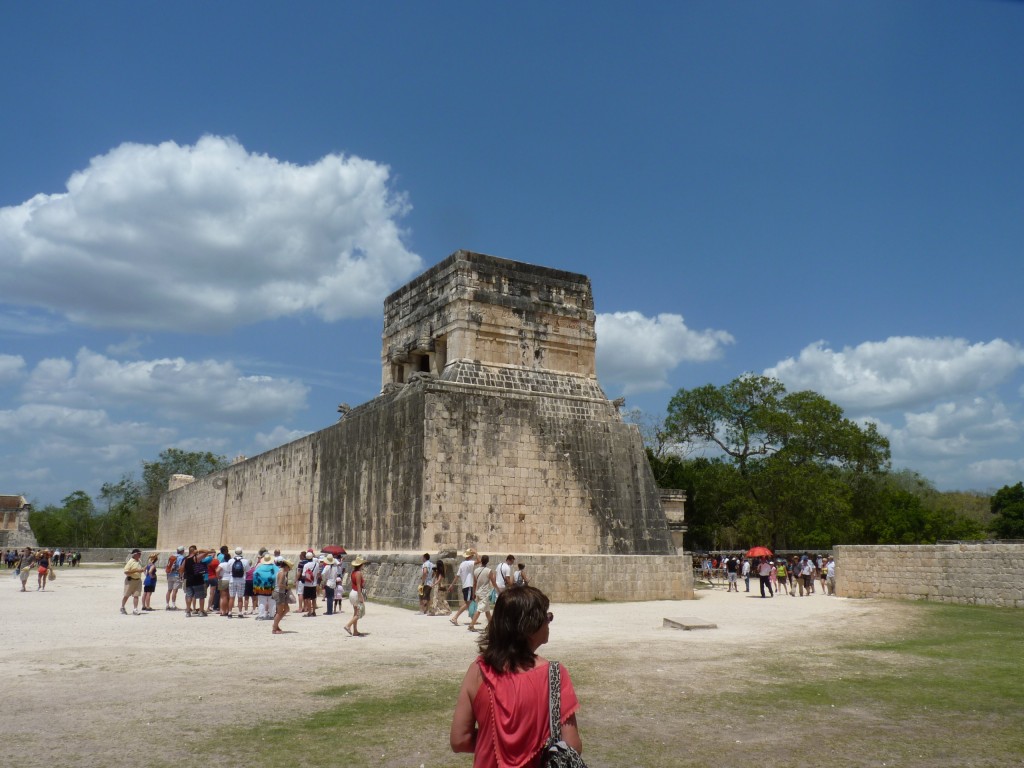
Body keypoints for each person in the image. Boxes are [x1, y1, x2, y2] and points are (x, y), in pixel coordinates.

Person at [450, 586, 582, 766]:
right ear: (530, 627)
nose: (548, 622)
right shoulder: (555, 675)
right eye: (546, 617)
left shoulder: (478, 671)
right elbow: (571, 745)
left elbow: (460, 740)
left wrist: (495, 740)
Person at [467, 555, 496, 632]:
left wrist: (473, 593)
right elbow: (493, 582)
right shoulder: (489, 571)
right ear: (488, 561)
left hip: (478, 592)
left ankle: (491, 625)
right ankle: (471, 625)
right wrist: (498, 589)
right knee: (479, 609)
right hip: (485, 593)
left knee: (487, 611)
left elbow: (474, 583)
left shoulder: (476, 570)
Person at [182, 546, 213, 616]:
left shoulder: (185, 559)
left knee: (189, 596)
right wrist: (199, 550)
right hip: (198, 579)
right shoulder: (196, 558)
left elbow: (181, 568)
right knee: (201, 596)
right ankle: (201, 611)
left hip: (189, 579)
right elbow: (207, 552)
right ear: (194, 551)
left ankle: (188, 611)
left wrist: (182, 576)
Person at [450, 550, 477, 626]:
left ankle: (473, 619)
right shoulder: (469, 563)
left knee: (470, 602)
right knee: (468, 604)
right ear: (470, 556)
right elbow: (479, 561)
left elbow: (457, 576)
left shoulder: (462, 564)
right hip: (468, 585)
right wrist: (476, 552)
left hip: (465, 586)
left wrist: (452, 584)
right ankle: (455, 617)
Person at [343, 556, 366, 637]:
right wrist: (360, 596)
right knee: (360, 613)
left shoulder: (353, 572)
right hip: (356, 593)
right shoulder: (359, 573)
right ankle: (348, 625)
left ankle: (355, 631)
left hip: (353, 592)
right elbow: (359, 585)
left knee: (356, 613)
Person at [252, 553, 278, 620]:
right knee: (272, 601)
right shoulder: (274, 567)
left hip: (261, 587)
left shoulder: (259, 567)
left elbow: (254, 574)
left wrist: (255, 587)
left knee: (262, 601)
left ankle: (261, 615)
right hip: (272, 587)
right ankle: (272, 615)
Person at [271, 559, 292, 634]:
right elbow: (280, 585)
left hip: (280, 592)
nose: (289, 569)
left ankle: (276, 625)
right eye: (289, 568)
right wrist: (287, 587)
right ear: (286, 566)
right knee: (279, 612)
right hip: (279, 593)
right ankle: (274, 628)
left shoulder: (281, 572)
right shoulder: (282, 573)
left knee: (286, 609)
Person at [121, 549, 144, 614]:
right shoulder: (130, 562)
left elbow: (139, 569)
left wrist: (142, 570)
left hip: (138, 580)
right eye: (139, 554)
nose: (140, 555)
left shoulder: (139, 561)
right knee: (126, 595)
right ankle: (122, 607)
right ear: (135, 554)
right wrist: (136, 571)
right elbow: (126, 571)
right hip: (130, 581)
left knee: (136, 595)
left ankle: (135, 609)